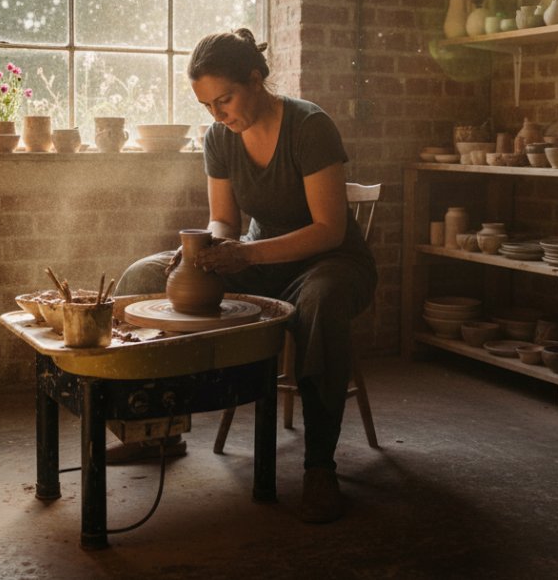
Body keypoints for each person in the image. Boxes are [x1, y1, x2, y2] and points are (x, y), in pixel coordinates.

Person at [113, 28, 377, 523]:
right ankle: (155, 431)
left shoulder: (309, 125)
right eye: (207, 105)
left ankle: (320, 467)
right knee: (140, 276)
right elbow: (224, 220)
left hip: (330, 263)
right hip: (259, 260)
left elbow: (329, 229)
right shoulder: (220, 138)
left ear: (256, 80)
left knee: (319, 302)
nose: (217, 115)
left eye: (225, 100)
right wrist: (202, 247)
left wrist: (247, 256)